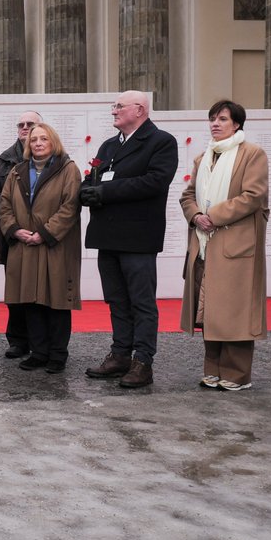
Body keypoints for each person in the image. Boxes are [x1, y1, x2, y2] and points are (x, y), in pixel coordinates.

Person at [80, 90, 178, 388]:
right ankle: (120, 354)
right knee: (116, 300)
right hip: (107, 234)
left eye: (119, 106)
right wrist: (85, 189)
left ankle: (143, 361)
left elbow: (155, 181)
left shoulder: (161, 141)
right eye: (114, 106)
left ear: (140, 109)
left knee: (141, 302)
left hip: (137, 236)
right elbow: (95, 177)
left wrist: (105, 192)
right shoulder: (109, 145)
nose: (114, 111)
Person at [178, 101, 269, 392]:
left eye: (222, 119)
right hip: (206, 243)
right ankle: (213, 370)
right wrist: (196, 216)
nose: (215, 123)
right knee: (210, 310)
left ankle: (238, 374)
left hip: (235, 244)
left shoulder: (251, 154)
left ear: (237, 124)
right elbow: (187, 195)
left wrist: (213, 217)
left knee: (235, 311)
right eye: (212, 119)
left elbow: (252, 196)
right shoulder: (203, 157)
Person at [0, 124, 82, 373]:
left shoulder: (68, 170)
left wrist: (44, 233)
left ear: (53, 141)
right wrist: (14, 229)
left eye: (44, 138)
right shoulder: (17, 171)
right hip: (24, 246)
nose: (37, 143)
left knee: (55, 301)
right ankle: (38, 351)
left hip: (54, 247)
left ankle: (57, 354)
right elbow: (4, 205)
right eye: (33, 139)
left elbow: (70, 207)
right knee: (30, 301)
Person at [0, 110, 40, 359]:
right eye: (21, 124)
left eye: (30, 123)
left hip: (42, 237)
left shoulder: (57, 158)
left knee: (42, 291)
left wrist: (37, 225)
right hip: (12, 236)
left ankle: (42, 342)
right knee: (16, 291)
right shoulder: (5, 159)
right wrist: (14, 222)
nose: (25, 127)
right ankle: (18, 341)